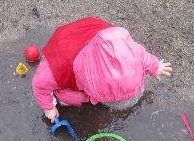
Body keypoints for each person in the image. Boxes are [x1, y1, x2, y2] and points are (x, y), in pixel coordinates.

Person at [32, 17, 173, 122]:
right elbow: (39, 85)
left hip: (98, 35)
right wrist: (48, 107)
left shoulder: (126, 49)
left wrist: (155, 67)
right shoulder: (58, 69)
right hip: (68, 45)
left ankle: (99, 93)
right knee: (69, 98)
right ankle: (69, 97)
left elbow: (142, 57)